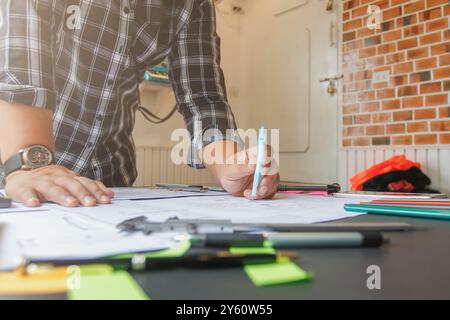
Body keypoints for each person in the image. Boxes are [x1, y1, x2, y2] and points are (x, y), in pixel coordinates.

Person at [0, 0, 279, 207]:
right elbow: (21, 73)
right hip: (17, 174)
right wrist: (32, 166)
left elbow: (204, 100)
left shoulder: (192, 4)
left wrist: (230, 164)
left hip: (109, 185)